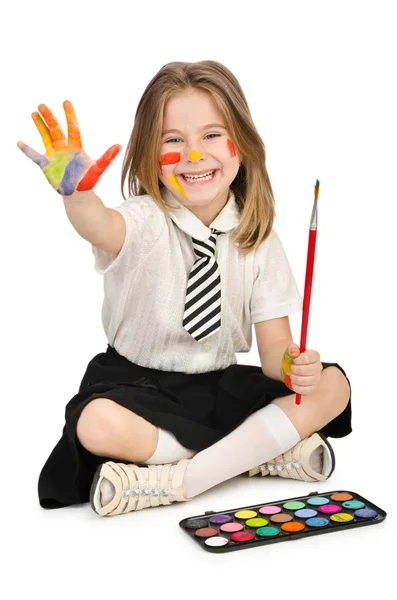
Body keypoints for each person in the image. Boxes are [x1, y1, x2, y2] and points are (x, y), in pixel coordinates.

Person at [17, 60, 352, 518]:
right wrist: (78, 196)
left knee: (333, 387)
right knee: (95, 423)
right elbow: (100, 227)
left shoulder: (258, 237)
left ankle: (176, 480)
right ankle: (254, 456)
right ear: (149, 155)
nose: (195, 156)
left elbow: (275, 350)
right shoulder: (143, 218)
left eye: (212, 136)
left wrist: (294, 367)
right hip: (138, 385)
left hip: (218, 386)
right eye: (174, 140)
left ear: (243, 146)